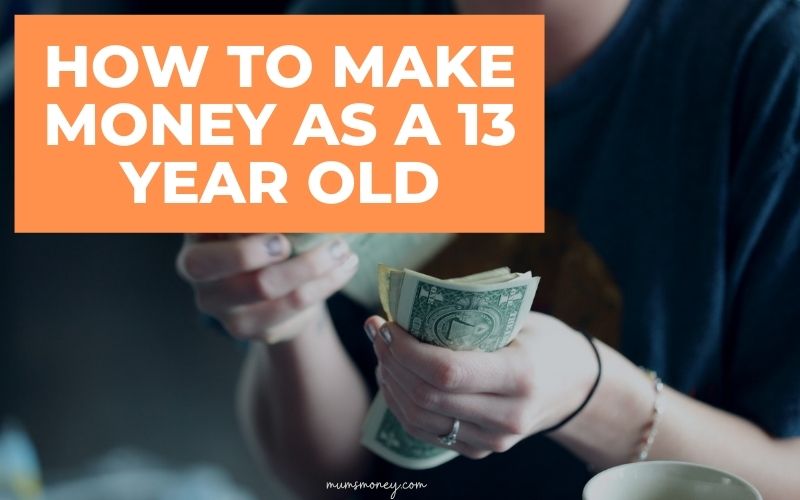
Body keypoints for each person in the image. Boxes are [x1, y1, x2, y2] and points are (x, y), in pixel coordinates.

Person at [176, 0, 800, 498]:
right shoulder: (340, 28)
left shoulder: (769, 67)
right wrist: (289, 322)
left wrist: (595, 397)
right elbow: (343, 479)